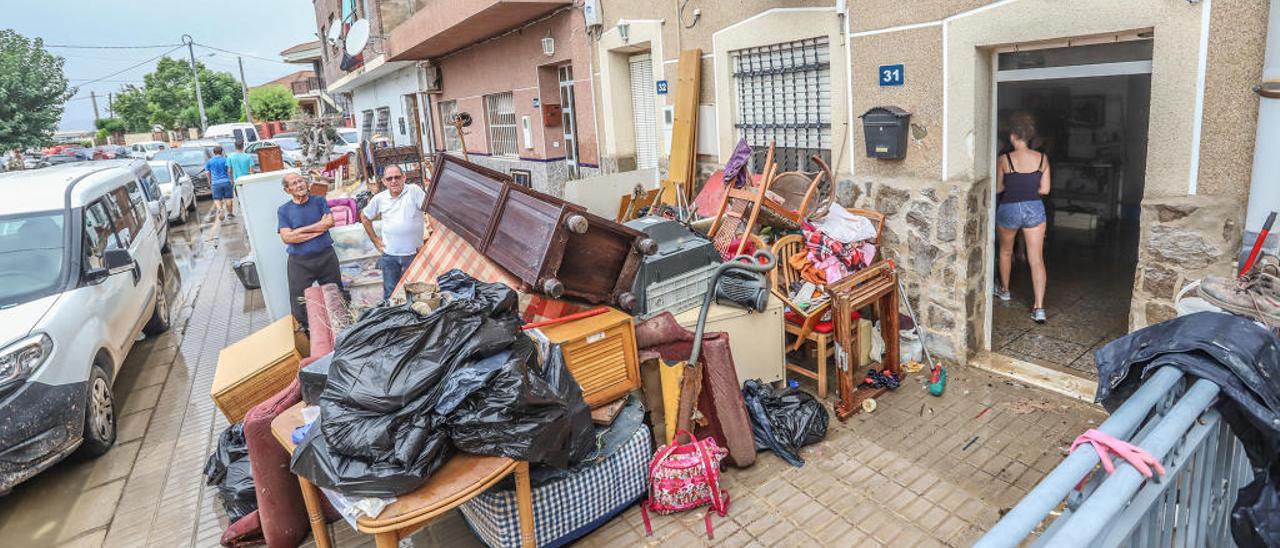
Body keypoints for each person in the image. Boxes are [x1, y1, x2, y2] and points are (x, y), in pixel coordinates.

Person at [995, 112, 1052, 323]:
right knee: (1036, 259)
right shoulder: (1042, 159)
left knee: (1006, 251)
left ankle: (1005, 290)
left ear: (1012, 136)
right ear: (1029, 136)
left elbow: (999, 187)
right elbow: (1045, 190)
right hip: (1034, 208)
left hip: (1009, 207)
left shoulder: (1004, 159)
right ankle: (1039, 308)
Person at [278, 172, 341, 326]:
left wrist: (298, 231)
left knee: (336, 295)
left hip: (326, 257)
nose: (299, 185)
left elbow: (329, 223)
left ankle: (341, 328)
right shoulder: (284, 210)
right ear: (287, 190)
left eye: (301, 181)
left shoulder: (319, 201)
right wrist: (318, 229)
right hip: (300, 262)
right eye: (294, 183)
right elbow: (287, 238)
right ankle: (307, 334)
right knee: (299, 302)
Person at [360, 165, 427, 300]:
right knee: (391, 294)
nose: (393, 181)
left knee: (417, 293)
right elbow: (365, 216)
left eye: (397, 177)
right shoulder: (380, 198)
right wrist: (376, 241)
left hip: (413, 254)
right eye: (389, 178)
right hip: (390, 255)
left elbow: (431, 211)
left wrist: (429, 241)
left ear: (404, 178)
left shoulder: (414, 191)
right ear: (384, 182)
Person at [206, 146, 235, 219]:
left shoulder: (209, 161)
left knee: (217, 199)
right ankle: (230, 214)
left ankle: (220, 209)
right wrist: (231, 179)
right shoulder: (225, 160)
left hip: (215, 183)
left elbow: (207, 172)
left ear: (214, 152)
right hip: (226, 181)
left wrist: (209, 181)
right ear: (222, 152)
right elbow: (229, 170)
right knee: (228, 198)